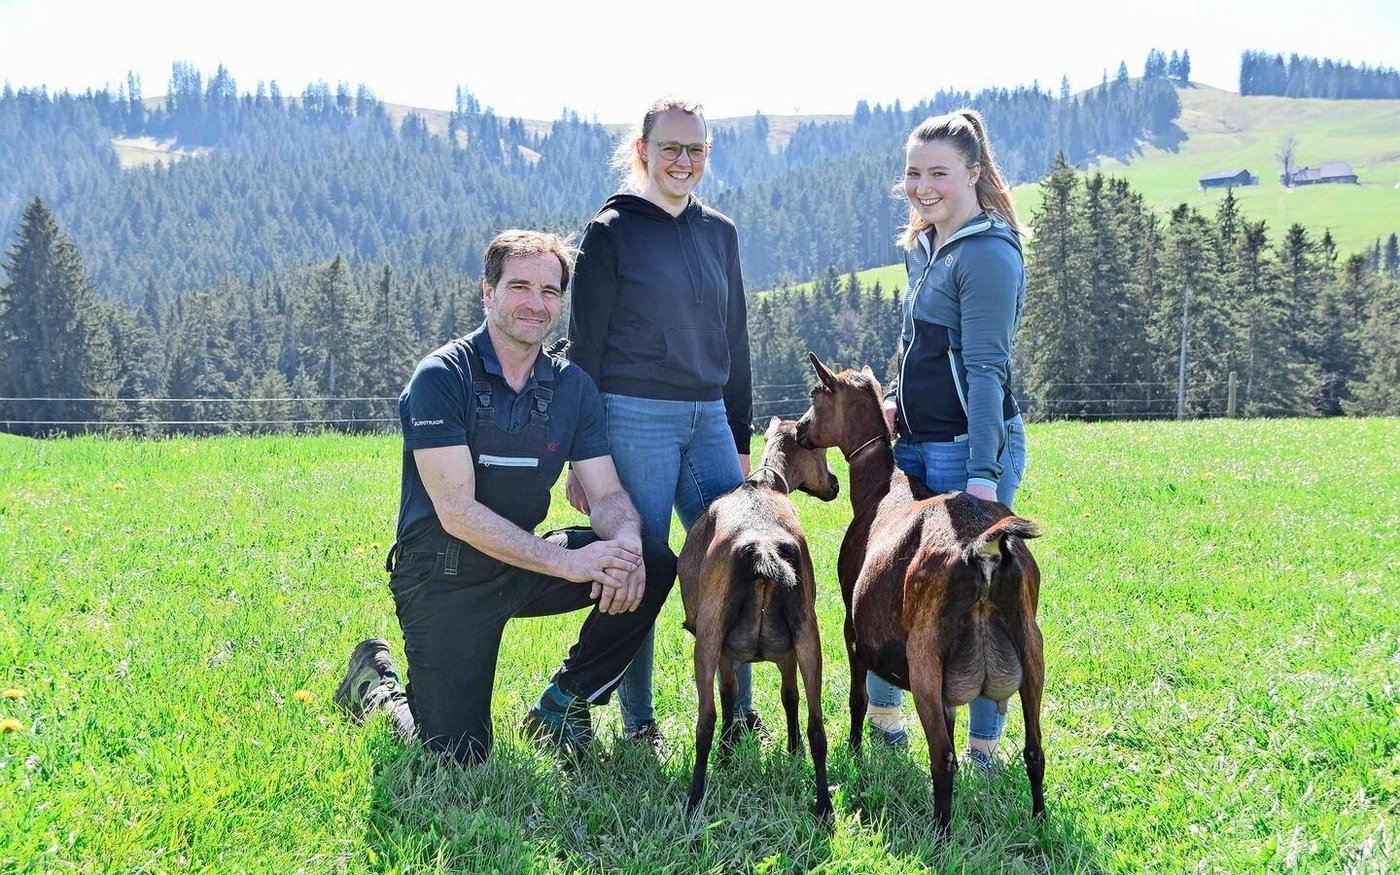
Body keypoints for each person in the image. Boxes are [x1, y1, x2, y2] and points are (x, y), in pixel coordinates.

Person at [334, 229, 676, 764]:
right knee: (456, 757)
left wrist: (625, 547)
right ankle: (375, 687)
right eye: (520, 287)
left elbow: (607, 493)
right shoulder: (442, 378)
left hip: (520, 560)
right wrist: (567, 562)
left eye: (550, 291)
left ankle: (562, 703)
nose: (535, 304)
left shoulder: (571, 387)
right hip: (442, 576)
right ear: (487, 292)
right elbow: (458, 512)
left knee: (652, 561)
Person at [564, 97, 757, 745]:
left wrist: (741, 442)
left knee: (737, 559)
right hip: (631, 415)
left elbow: (737, 345)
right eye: (671, 148)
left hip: (709, 420)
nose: (684, 160)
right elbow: (584, 350)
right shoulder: (612, 231)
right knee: (639, 568)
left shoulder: (719, 232)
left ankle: (739, 712)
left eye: (696, 149)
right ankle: (638, 721)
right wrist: (581, 458)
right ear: (643, 150)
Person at [865, 109, 1029, 771]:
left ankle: (983, 751)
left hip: (969, 448)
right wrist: (894, 403)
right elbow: (918, 345)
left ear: (973, 173)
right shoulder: (924, 244)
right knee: (888, 585)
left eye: (938, 172)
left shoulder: (988, 253)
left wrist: (984, 480)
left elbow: (986, 369)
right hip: (915, 443)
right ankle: (885, 726)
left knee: (980, 598)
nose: (922, 185)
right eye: (912, 172)